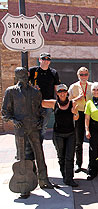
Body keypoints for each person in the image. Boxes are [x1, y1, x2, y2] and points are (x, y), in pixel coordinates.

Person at [1, 67, 54, 198]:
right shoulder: (11, 91)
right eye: (20, 75)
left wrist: (41, 120)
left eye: (25, 74)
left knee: (39, 153)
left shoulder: (35, 92)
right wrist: (13, 120)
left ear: (28, 75)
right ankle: (23, 186)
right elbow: (5, 113)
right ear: (16, 76)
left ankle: (43, 179)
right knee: (21, 155)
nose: (23, 77)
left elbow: (40, 110)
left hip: (33, 127)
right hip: (20, 128)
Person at [42, 84, 79, 187]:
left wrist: (75, 113)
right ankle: (65, 176)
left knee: (70, 157)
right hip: (58, 134)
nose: (62, 93)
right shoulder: (54, 104)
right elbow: (40, 102)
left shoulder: (73, 103)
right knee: (61, 156)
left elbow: (76, 118)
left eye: (64, 91)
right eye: (60, 91)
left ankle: (69, 178)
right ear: (57, 93)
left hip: (70, 133)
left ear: (67, 92)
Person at [29, 52, 61, 141]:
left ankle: (39, 144)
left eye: (48, 59)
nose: (46, 61)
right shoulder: (32, 71)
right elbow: (23, 85)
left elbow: (56, 88)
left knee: (44, 125)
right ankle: (32, 145)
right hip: (34, 103)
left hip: (48, 103)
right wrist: (32, 87)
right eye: (44, 59)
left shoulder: (53, 72)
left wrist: (59, 101)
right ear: (40, 60)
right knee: (33, 124)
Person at [68, 67, 93, 173]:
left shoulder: (92, 86)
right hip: (78, 115)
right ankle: (78, 164)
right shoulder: (73, 86)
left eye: (85, 74)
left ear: (88, 75)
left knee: (93, 141)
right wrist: (77, 98)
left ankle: (92, 164)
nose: (84, 76)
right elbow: (67, 101)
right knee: (78, 141)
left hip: (91, 115)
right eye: (81, 75)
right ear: (78, 76)